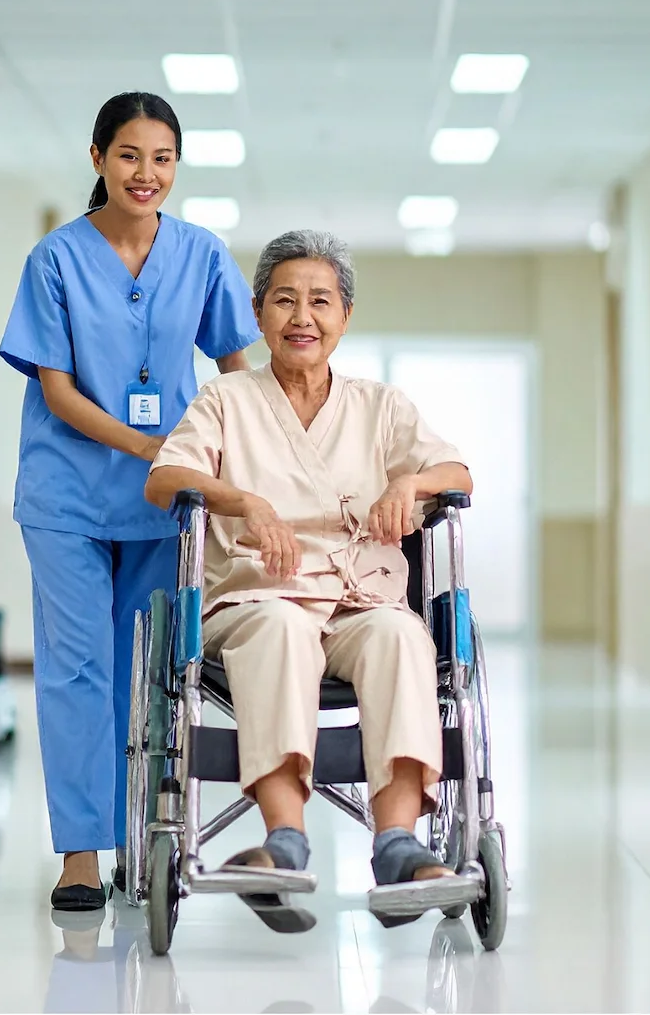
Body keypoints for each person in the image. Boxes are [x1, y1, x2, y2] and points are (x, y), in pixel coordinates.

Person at [144, 230, 474, 933]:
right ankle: (284, 841)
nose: (303, 317)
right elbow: (166, 477)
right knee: (282, 627)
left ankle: (398, 844)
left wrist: (410, 481)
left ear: (344, 317)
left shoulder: (382, 407)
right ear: (260, 314)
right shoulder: (226, 399)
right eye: (285, 300)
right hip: (259, 595)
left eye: (320, 301)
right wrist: (243, 501)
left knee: (401, 634)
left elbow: (459, 475)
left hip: (359, 599)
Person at [0, 92, 260, 913]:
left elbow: (235, 368)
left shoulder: (202, 255)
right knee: (76, 670)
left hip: (161, 503)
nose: (146, 174)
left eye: (162, 159)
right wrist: (153, 446)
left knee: (146, 676)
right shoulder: (55, 260)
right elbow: (58, 389)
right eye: (129, 157)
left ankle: (141, 840)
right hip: (68, 494)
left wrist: (265, 450)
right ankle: (81, 854)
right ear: (98, 159)